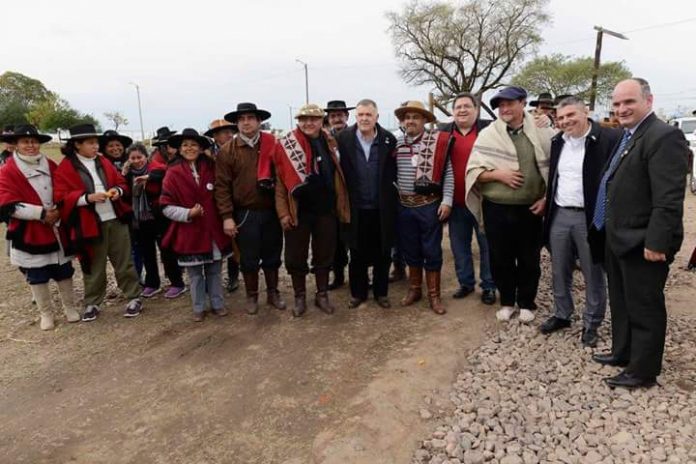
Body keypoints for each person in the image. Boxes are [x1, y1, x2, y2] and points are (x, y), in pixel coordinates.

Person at [591, 78, 689, 389]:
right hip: (619, 237)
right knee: (622, 301)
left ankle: (643, 371)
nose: (621, 109)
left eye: (628, 102)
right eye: (617, 103)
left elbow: (669, 197)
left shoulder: (664, 136)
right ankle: (623, 353)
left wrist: (657, 242)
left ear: (648, 100)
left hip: (644, 242)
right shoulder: (629, 135)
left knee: (644, 306)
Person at [465, 86, 554, 323]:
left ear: (522, 103)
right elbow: (473, 171)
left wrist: (546, 199)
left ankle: (526, 302)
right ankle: (506, 301)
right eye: (500, 105)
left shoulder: (542, 130)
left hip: (530, 208)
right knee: (500, 257)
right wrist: (498, 174)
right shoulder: (488, 134)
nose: (504, 109)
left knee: (529, 257)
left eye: (509, 103)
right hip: (497, 208)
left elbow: (554, 170)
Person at [539, 96, 620, 347]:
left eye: (570, 115)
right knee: (559, 267)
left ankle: (591, 323)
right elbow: (554, 178)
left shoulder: (607, 139)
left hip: (590, 217)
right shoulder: (557, 142)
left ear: (585, 112)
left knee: (592, 269)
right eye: (561, 118)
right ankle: (562, 314)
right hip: (560, 213)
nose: (565, 121)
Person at [53, 123, 143, 321]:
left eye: (96, 142)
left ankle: (133, 297)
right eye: (91, 143)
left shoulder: (103, 162)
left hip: (115, 218)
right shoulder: (66, 167)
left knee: (124, 261)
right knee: (93, 264)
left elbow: (120, 182)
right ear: (77, 145)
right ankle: (92, 302)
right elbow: (60, 196)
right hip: (89, 223)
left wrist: (117, 192)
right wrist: (87, 198)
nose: (96, 146)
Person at [0, 125, 81, 330]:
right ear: (16, 144)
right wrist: (41, 214)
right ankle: (46, 313)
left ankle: (69, 307)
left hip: (56, 226)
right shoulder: (7, 170)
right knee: (37, 274)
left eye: (34, 141)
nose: (31, 145)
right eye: (25, 142)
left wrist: (58, 212)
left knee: (63, 269)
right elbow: (7, 202)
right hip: (29, 229)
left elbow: (63, 189)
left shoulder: (51, 165)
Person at [274, 104, 350, 317]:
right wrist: (283, 213)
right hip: (298, 209)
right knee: (295, 256)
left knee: (324, 253)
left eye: (313, 119)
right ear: (298, 121)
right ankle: (299, 296)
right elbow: (280, 184)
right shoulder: (286, 145)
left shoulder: (329, 142)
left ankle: (322, 294)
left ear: (320, 120)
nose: (308, 123)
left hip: (326, 209)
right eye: (304, 119)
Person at [215, 103, 286, 315]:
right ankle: (252, 295)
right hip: (245, 213)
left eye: (250, 118)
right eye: (242, 119)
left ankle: (273, 293)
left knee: (273, 254)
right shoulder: (228, 151)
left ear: (259, 121)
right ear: (237, 123)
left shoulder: (273, 144)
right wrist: (227, 216)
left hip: (272, 210)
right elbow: (221, 187)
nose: (246, 122)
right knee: (248, 258)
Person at [160, 128, 232, 322]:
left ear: (201, 148)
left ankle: (217, 303)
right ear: (179, 149)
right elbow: (165, 207)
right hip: (189, 232)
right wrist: (188, 214)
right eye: (185, 145)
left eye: (193, 144)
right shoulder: (172, 173)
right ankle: (198, 307)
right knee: (195, 275)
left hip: (213, 229)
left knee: (215, 271)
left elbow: (224, 192)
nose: (189, 148)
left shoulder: (212, 168)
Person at [336, 99, 397, 308]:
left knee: (383, 252)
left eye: (368, 115)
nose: (364, 118)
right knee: (357, 253)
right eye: (361, 115)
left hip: (381, 208)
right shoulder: (342, 139)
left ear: (376, 117)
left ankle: (381, 293)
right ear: (356, 117)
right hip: (356, 207)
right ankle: (358, 293)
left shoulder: (389, 140)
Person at [393, 100, 453, 315]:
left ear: (425, 120)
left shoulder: (437, 143)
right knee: (410, 250)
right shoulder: (397, 144)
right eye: (407, 117)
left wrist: (446, 200)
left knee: (432, 251)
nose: (410, 121)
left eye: (415, 117)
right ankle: (415, 289)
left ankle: (434, 296)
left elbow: (449, 173)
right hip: (404, 206)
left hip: (429, 206)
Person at [441, 92, 496, 305]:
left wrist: (543, 120)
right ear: (453, 112)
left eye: (467, 106)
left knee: (487, 246)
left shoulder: (490, 130)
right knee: (459, 245)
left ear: (476, 110)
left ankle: (489, 285)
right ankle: (465, 283)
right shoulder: (443, 132)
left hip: (484, 201)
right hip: (455, 202)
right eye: (458, 107)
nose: (462, 110)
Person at [122, 143, 187, 298]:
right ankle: (152, 283)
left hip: (159, 218)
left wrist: (149, 178)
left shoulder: (155, 168)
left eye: (140, 157)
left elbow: (164, 173)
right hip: (139, 220)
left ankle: (177, 283)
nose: (137, 161)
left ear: (146, 157)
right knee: (147, 253)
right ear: (128, 159)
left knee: (167, 252)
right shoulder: (127, 174)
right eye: (133, 158)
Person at [204, 118, 240, 293]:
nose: (228, 135)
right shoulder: (206, 156)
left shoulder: (237, 150)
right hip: (212, 202)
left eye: (229, 131)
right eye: (223, 132)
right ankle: (211, 280)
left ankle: (233, 276)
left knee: (234, 240)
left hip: (235, 200)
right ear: (215, 136)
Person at [324, 100, 355, 290]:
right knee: (334, 241)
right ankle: (338, 276)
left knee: (355, 239)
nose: (337, 118)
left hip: (353, 196)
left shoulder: (355, 135)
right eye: (333, 115)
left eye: (340, 115)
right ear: (328, 118)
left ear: (347, 116)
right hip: (332, 197)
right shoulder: (323, 138)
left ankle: (358, 275)